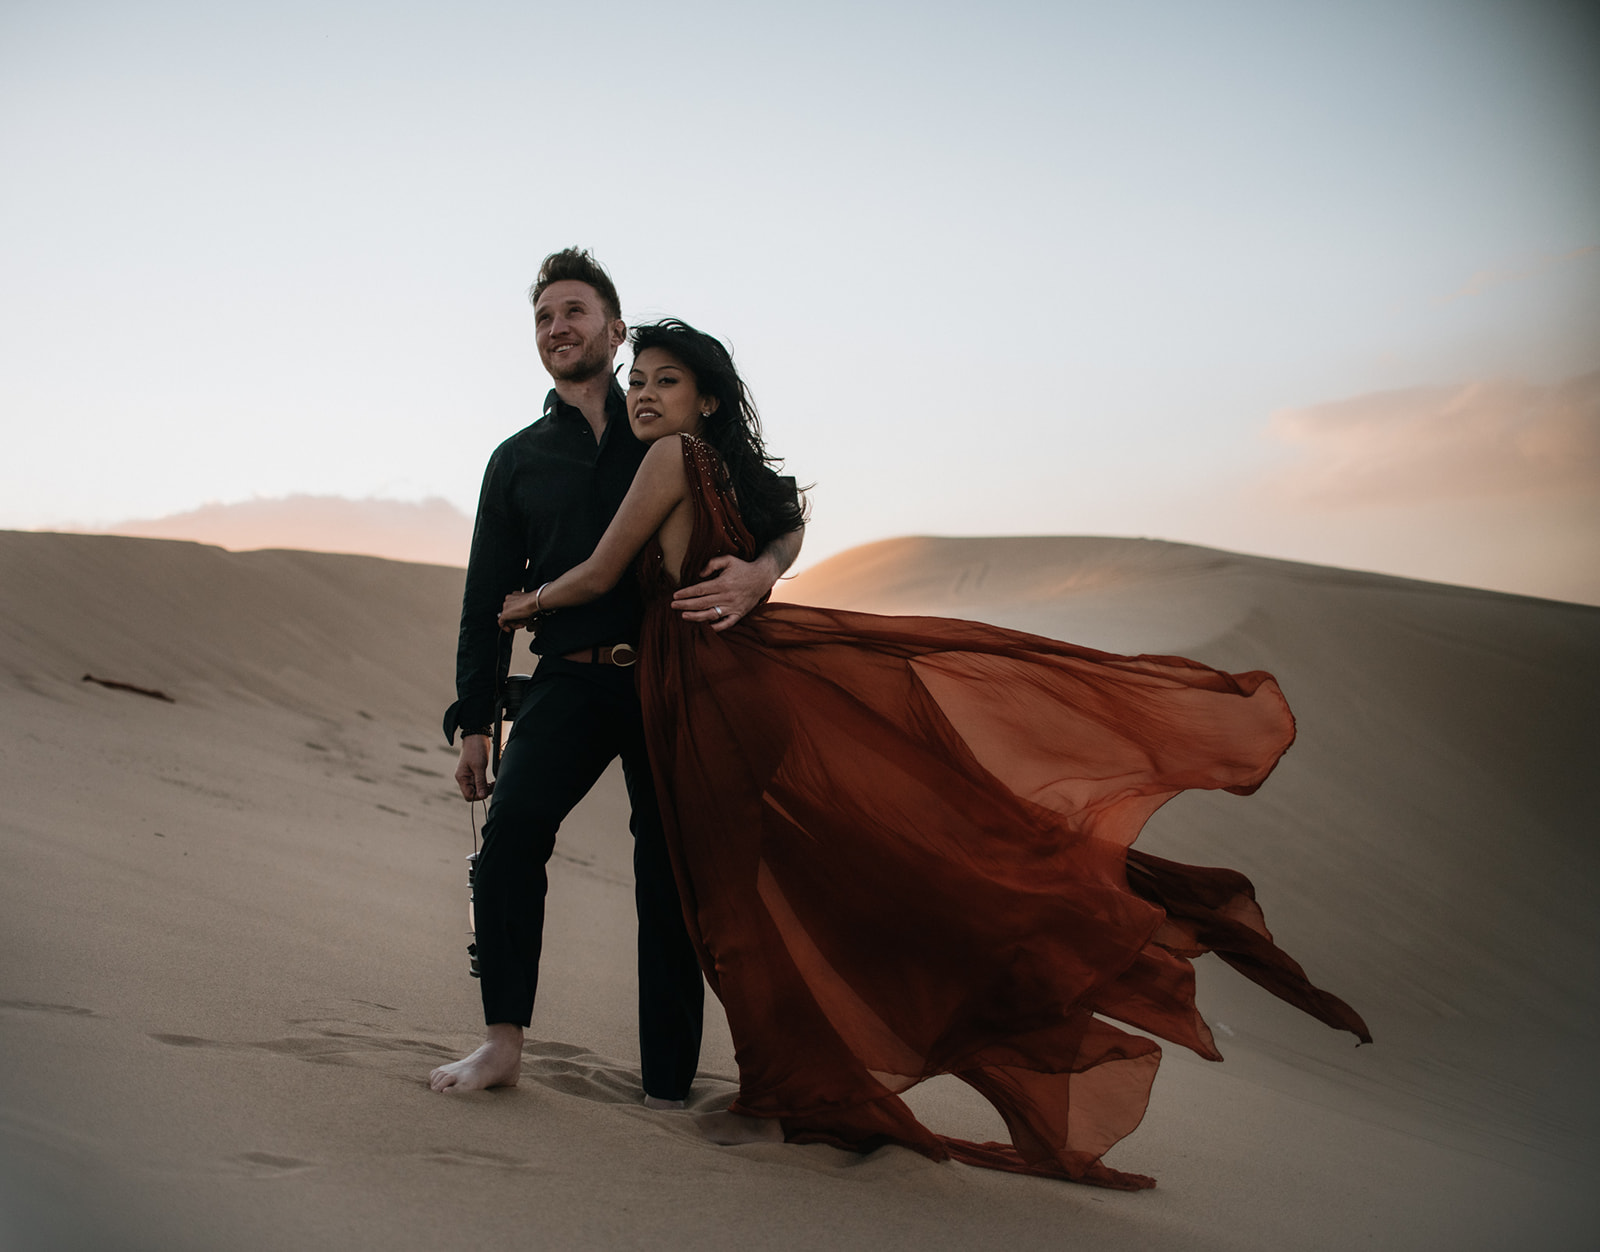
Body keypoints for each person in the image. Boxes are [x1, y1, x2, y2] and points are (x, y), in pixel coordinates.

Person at [503, 319, 1370, 1188]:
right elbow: (789, 521)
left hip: (711, 706)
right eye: (641, 380)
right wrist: (766, 564)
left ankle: (783, 1093)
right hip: (735, 696)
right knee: (758, 900)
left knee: (736, 912)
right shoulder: (723, 468)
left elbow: (602, 573)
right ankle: (783, 1083)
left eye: (667, 381)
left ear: (708, 400)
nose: (647, 394)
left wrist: (525, 602)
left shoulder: (668, 460)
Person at [430, 254, 803, 1102]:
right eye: (543, 319)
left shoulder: (672, 432)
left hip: (676, 687)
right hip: (568, 678)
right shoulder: (519, 459)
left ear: (613, 326)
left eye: (574, 312)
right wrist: (477, 720)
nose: (557, 329)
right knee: (511, 838)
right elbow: (485, 594)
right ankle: (500, 1044)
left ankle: (668, 1085)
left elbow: (781, 512)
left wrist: (762, 572)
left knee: (668, 877)